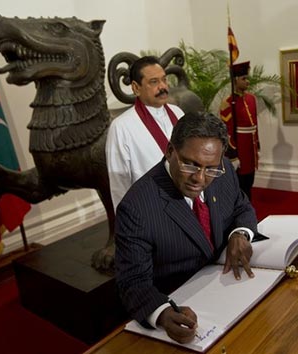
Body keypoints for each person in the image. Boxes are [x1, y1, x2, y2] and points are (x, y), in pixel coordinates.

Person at [115, 112, 258, 344]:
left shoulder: (222, 172)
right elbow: (133, 282)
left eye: (210, 168)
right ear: (170, 151)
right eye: (190, 165)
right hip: (183, 307)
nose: (200, 178)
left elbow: (242, 207)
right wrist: (162, 314)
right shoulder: (136, 207)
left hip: (230, 292)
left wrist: (239, 233)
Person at [106, 56, 184, 209]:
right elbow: (119, 183)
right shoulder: (121, 127)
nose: (163, 86)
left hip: (186, 201)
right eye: (154, 82)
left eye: (164, 80)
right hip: (151, 208)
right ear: (136, 88)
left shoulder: (179, 113)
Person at [219, 61, 260, 200]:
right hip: (239, 149)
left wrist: (257, 146)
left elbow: (255, 125)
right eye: (244, 79)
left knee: (249, 181)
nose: (247, 82)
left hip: (250, 148)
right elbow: (227, 131)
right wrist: (232, 155)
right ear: (235, 80)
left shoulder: (251, 99)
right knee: (240, 184)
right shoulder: (228, 103)